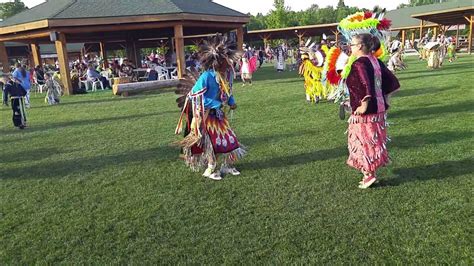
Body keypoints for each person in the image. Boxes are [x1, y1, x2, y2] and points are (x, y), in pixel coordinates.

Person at [174, 34, 245, 181]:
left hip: (218, 114)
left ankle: (227, 165)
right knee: (211, 143)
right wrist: (216, 103)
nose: (231, 65)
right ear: (217, 62)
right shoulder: (206, 76)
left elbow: (228, 90)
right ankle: (210, 168)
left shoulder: (228, 74)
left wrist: (231, 101)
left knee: (229, 139)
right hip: (205, 115)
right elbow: (195, 96)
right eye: (228, 62)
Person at [345, 34, 400, 188]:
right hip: (379, 110)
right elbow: (391, 81)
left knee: (362, 141)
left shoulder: (359, 64)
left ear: (361, 46)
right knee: (373, 140)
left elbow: (364, 84)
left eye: (353, 44)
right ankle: (370, 173)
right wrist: (386, 99)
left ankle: (368, 175)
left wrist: (364, 104)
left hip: (366, 112)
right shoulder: (376, 61)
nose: (351, 46)